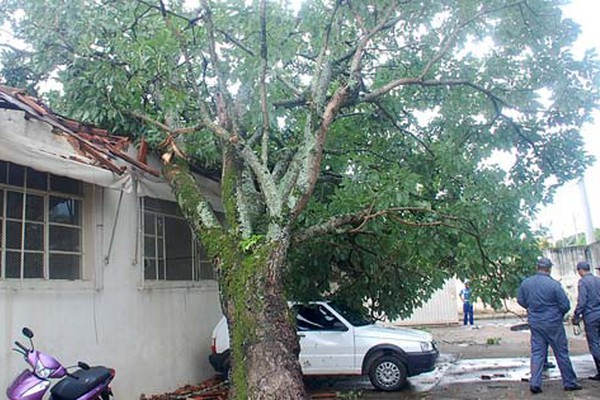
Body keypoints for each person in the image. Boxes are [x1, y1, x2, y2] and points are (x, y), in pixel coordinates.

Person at [517, 257, 581, 394]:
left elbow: (521, 300)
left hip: (536, 322)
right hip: (553, 322)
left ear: (537, 267)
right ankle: (569, 382)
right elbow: (565, 305)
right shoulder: (554, 285)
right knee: (561, 352)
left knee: (537, 352)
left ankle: (535, 383)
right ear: (549, 269)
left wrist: (532, 308)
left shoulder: (526, 283)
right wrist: (557, 315)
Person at [571, 261, 600, 380]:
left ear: (580, 270)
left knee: (594, 344)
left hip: (591, 316)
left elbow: (582, 301)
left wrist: (576, 316)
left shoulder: (583, 282)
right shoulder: (598, 280)